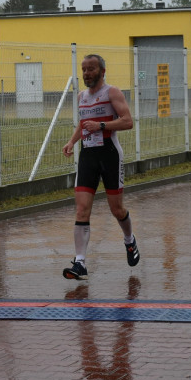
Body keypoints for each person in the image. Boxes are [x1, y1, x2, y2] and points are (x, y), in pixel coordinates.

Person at [62, 54, 139, 280]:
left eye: (91, 69)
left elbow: (128, 121)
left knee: (117, 210)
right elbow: (83, 123)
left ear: (102, 71)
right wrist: (72, 141)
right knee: (82, 209)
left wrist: (102, 125)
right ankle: (80, 262)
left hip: (110, 155)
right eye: (84, 69)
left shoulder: (112, 93)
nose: (87, 73)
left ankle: (129, 240)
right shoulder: (81, 96)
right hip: (88, 156)